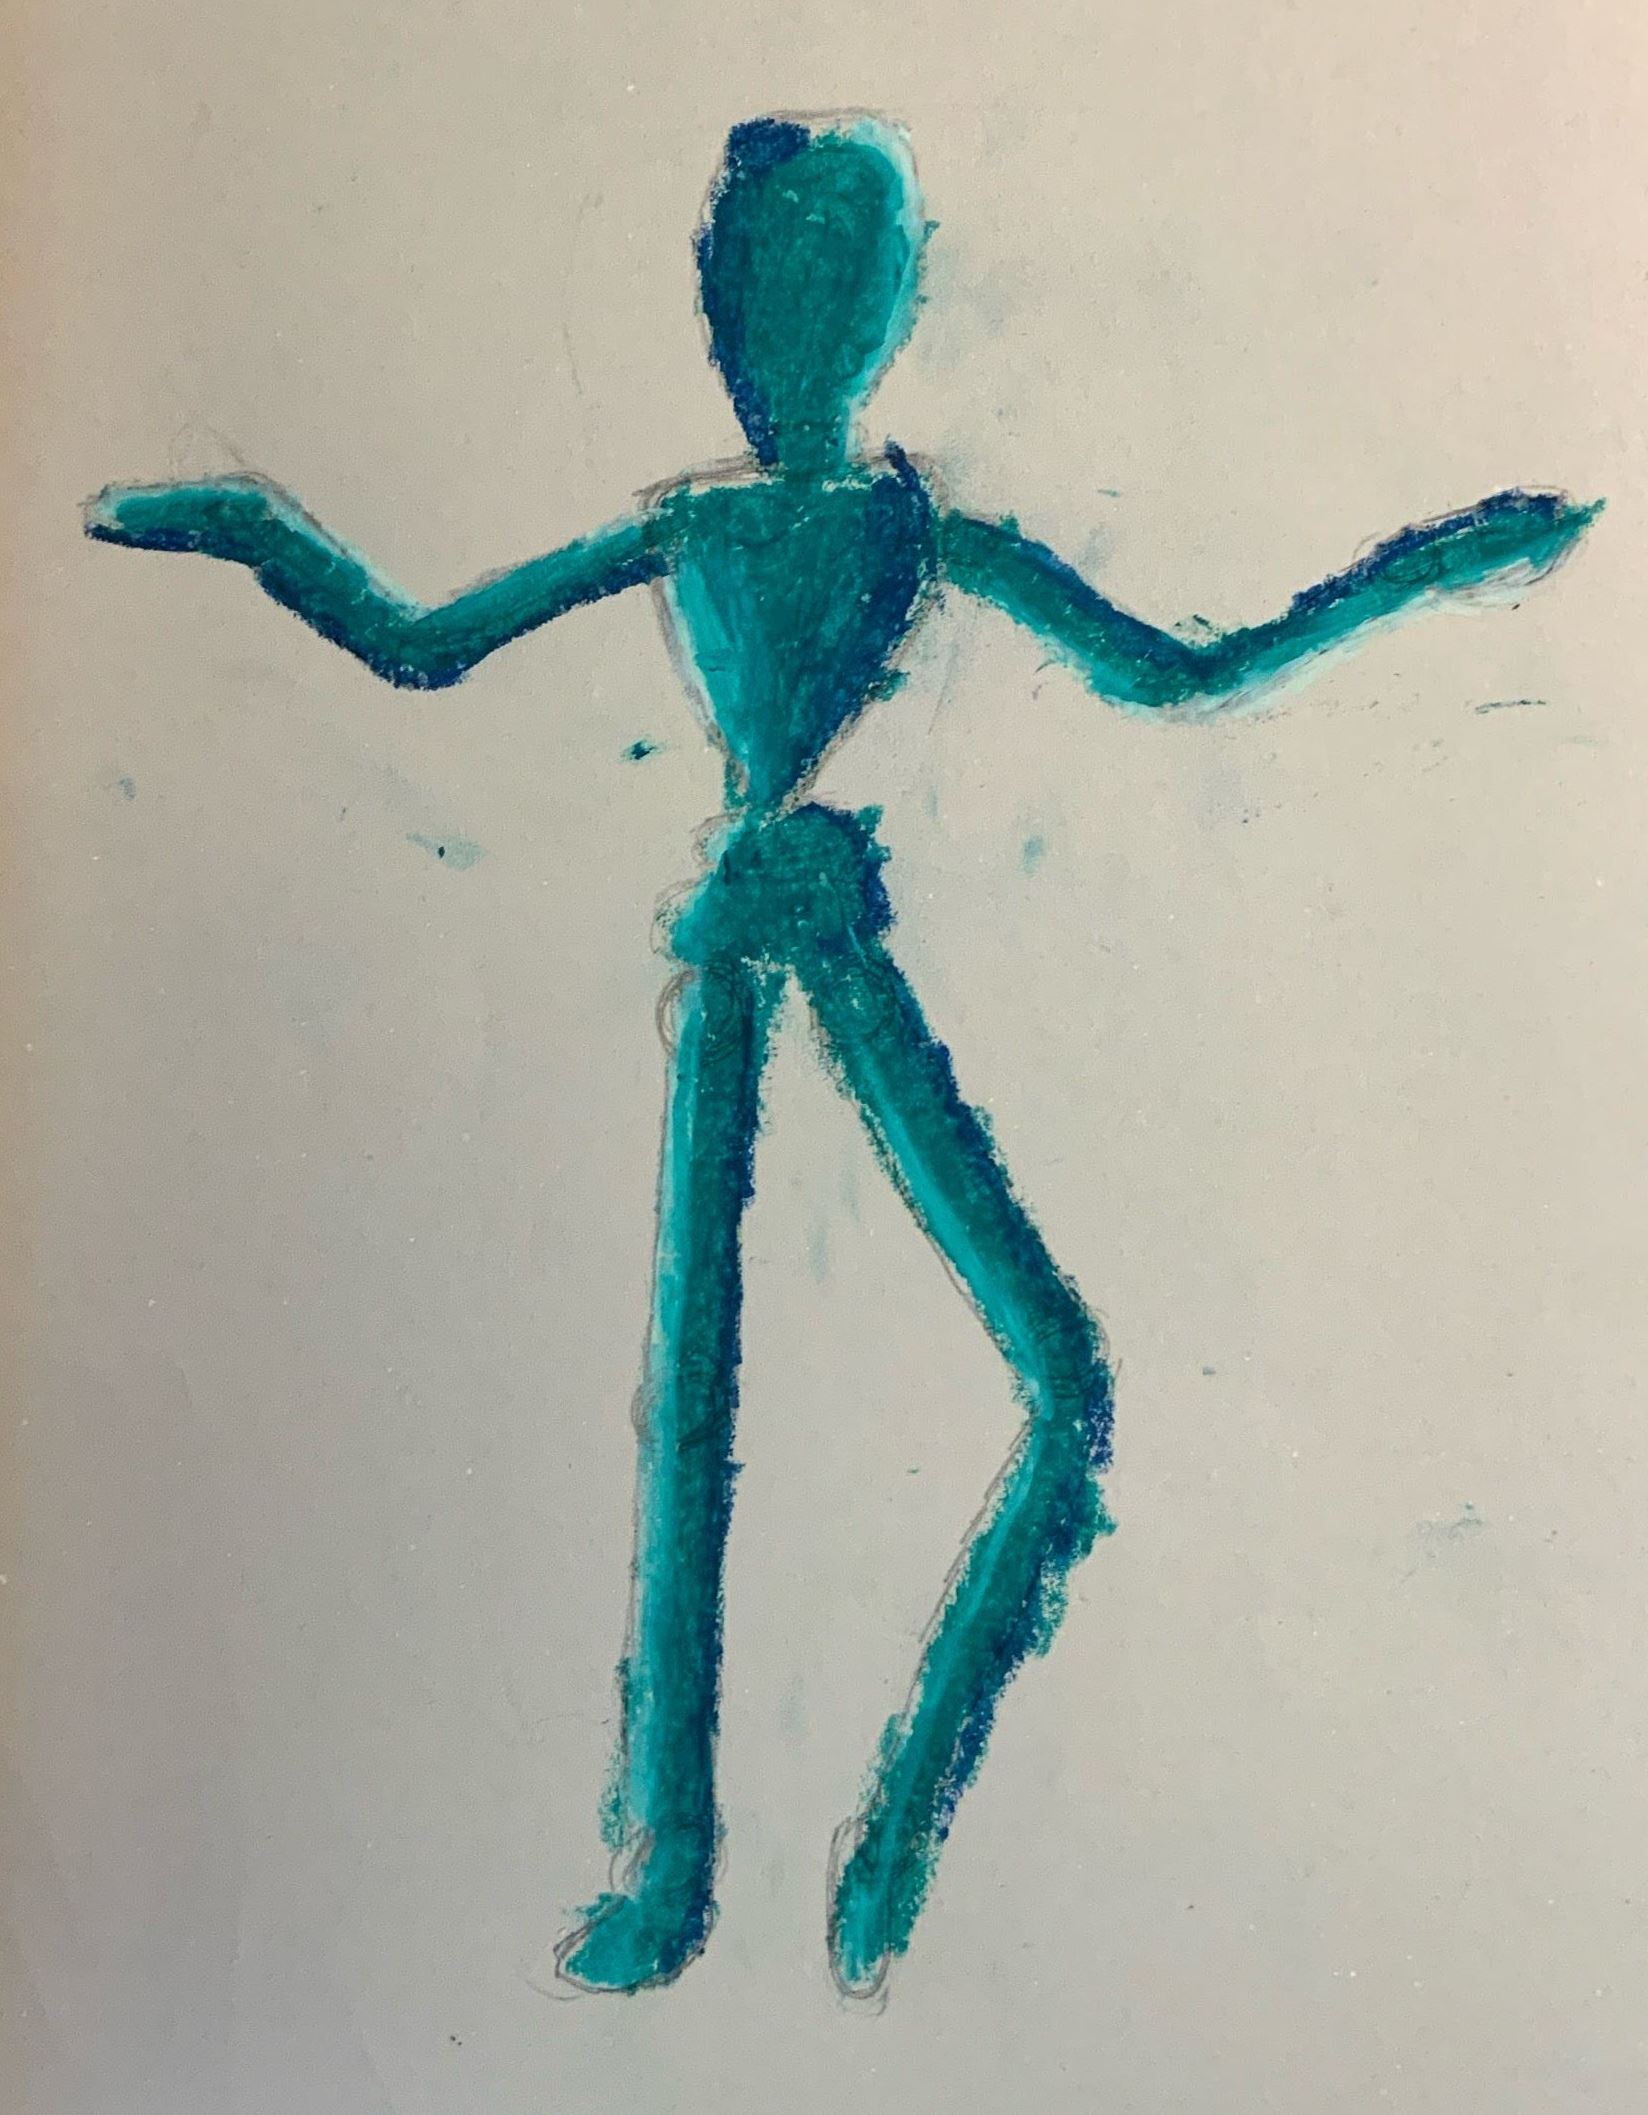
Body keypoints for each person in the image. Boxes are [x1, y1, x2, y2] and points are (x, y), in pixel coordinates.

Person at [83, 110, 1598, 2001]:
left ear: (866, 318)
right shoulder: (743, 529)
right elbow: (422, 643)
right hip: (766, 930)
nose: (787, 347)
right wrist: (242, 534)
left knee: (991, 1386)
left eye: (819, 305)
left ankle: (848, 1855)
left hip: (798, 927)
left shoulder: (877, 532)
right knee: (750, 1395)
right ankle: (707, 1869)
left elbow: (1173, 671)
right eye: (771, 309)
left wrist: (1426, 568)